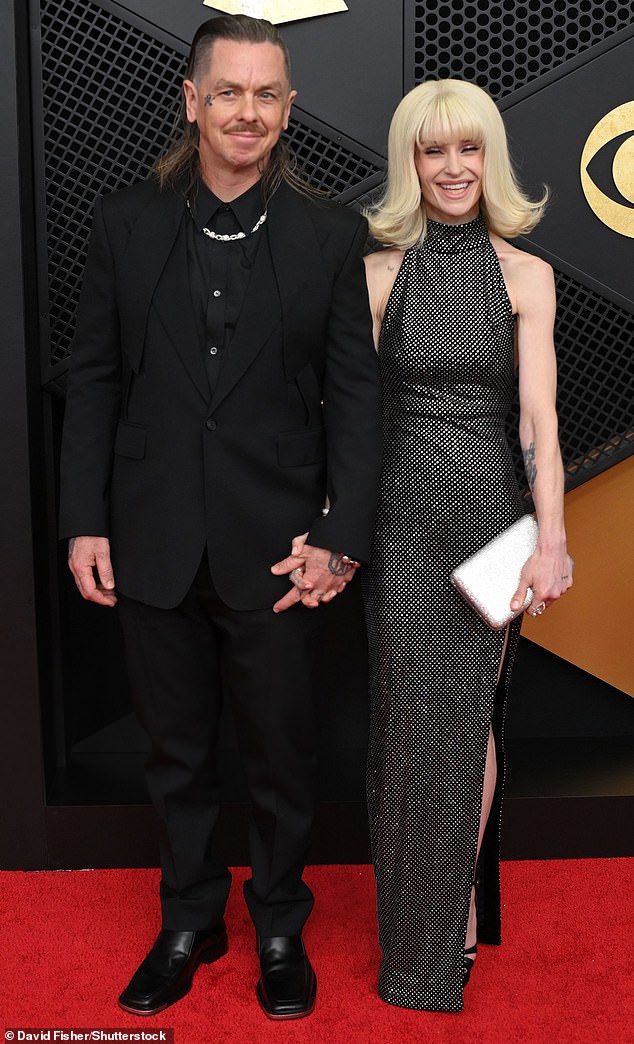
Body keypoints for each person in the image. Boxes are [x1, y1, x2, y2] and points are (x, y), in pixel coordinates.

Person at [59, 14, 381, 1020]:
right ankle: (189, 919)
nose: (249, 111)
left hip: (280, 545)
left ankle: (280, 921)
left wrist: (341, 537)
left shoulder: (331, 234)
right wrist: (83, 520)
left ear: (288, 109)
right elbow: (95, 382)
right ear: (191, 101)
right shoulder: (124, 223)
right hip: (149, 533)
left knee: (283, 752)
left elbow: (357, 398)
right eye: (230, 92)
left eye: (268, 94)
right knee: (177, 748)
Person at [361, 79, 573, 1012]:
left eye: (470, 149)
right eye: (433, 150)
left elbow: (539, 423)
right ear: (411, 161)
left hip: (493, 528)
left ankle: (446, 929)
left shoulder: (527, 276)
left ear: (492, 159)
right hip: (400, 524)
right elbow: (354, 424)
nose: (454, 168)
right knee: (409, 735)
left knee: (468, 728)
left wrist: (553, 542)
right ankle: (423, 926)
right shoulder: (376, 275)